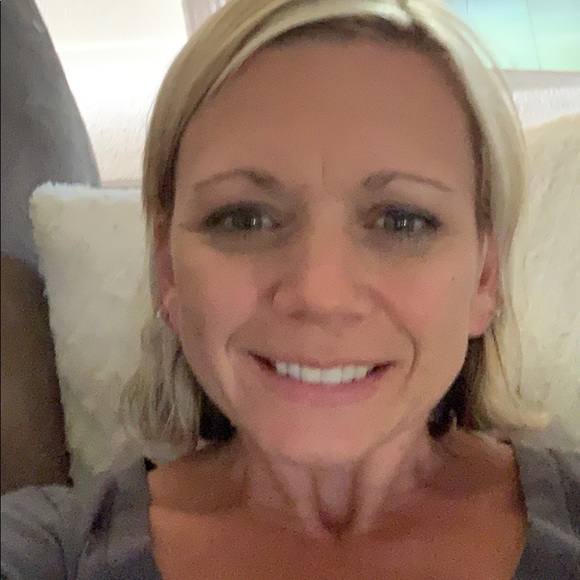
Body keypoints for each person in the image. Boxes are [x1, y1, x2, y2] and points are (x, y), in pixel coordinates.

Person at [2, 0, 579, 578]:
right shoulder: (48, 550)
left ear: (484, 276)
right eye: (244, 219)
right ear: (167, 269)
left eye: (401, 221)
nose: (318, 294)